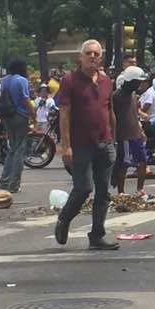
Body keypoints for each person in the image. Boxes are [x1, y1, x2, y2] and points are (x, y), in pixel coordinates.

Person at [55, 40, 118, 250]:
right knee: (83, 188)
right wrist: (66, 146)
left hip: (105, 142)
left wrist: (114, 139)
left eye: (96, 53)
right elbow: (64, 114)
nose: (93, 56)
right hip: (80, 144)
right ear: (80, 57)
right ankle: (64, 219)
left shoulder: (107, 81)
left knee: (104, 192)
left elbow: (110, 112)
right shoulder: (70, 80)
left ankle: (97, 235)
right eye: (89, 53)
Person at [0, 58, 35, 194]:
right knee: (20, 149)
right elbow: (26, 100)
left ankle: (4, 181)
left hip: (7, 116)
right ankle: (14, 184)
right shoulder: (21, 80)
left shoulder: (4, 80)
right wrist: (33, 115)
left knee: (12, 148)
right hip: (20, 116)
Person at [113, 66, 149, 195]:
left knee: (142, 161)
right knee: (124, 164)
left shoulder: (133, 95)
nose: (139, 84)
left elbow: (134, 114)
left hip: (136, 134)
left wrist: (141, 130)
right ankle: (121, 192)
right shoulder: (117, 96)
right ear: (130, 81)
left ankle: (140, 189)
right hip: (124, 136)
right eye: (137, 81)